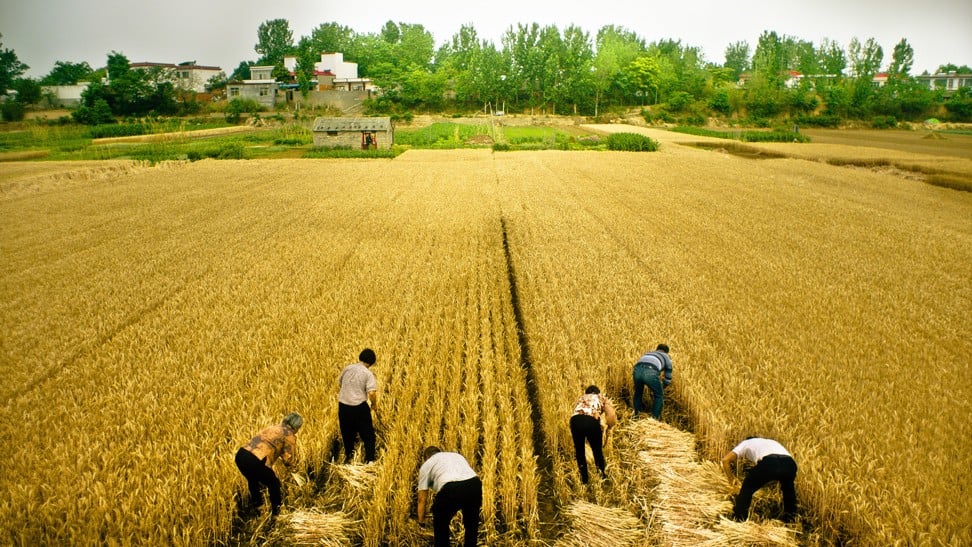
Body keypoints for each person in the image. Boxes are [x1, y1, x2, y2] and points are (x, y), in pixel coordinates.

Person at [234, 412, 303, 516]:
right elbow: (288, 459)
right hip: (255, 459)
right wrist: (295, 470)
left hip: (241, 454)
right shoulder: (289, 435)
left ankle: (259, 510)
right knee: (274, 483)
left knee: (253, 480)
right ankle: (277, 514)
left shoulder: (274, 427)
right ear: (296, 427)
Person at [416, 446, 482, 547]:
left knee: (440, 520)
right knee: (471, 524)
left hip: (451, 488)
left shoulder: (427, 464)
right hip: (474, 484)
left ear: (426, 457)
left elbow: (422, 499)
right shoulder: (456, 456)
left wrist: (421, 522)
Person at [721, 436, 798, 522]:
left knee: (747, 487)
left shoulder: (746, 443)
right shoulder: (771, 441)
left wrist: (732, 480)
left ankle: (739, 518)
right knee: (788, 491)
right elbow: (777, 469)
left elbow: (725, 460)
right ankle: (791, 521)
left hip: (770, 462)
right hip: (790, 464)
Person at [569, 385, 617, 484]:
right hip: (591, 421)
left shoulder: (581, 398)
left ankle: (584, 479)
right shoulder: (601, 398)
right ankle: (602, 474)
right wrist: (610, 426)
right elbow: (611, 415)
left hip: (575, 421)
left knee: (579, 450)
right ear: (598, 392)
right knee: (597, 450)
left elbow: (578, 412)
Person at [337, 348, 379, 463]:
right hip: (359, 407)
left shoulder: (347, 368)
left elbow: (340, 384)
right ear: (371, 362)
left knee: (347, 433)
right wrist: (374, 405)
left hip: (343, 406)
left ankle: (349, 457)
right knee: (368, 435)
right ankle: (370, 460)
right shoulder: (368, 373)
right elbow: (371, 393)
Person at [633, 343, 673, 419]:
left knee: (638, 393)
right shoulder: (666, 357)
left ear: (657, 349)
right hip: (650, 371)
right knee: (659, 395)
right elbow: (668, 376)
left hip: (637, 370)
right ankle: (654, 419)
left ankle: (637, 416)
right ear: (666, 352)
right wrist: (663, 387)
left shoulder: (648, 353)